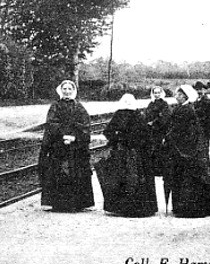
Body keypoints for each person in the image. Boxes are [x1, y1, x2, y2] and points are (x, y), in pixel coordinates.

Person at [96, 93, 158, 217]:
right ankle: (129, 207)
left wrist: (118, 137)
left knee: (129, 179)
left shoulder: (130, 115)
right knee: (130, 179)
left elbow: (144, 134)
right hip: (128, 152)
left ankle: (125, 207)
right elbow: (108, 131)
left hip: (128, 152)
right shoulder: (131, 115)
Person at [163, 84, 210, 218]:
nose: (176, 96)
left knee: (186, 180)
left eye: (178, 94)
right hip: (186, 149)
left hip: (186, 151)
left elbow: (179, 130)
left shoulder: (185, 110)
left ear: (184, 96)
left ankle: (188, 209)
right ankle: (188, 207)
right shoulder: (185, 108)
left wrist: (168, 138)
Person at [38, 80, 94, 212]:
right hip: (59, 145)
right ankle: (59, 203)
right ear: (60, 90)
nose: (67, 91)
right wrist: (63, 135)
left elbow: (85, 125)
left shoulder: (79, 107)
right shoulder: (55, 106)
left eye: (69, 89)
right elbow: (51, 124)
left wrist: (74, 137)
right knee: (59, 172)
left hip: (76, 147)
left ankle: (77, 203)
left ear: (73, 91)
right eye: (65, 89)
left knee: (76, 171)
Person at [144, 86, 172, 177]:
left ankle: (160, 170)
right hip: (151, 130)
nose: (157, 95)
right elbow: (147, 114)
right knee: (152, 149)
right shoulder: (151, 104)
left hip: (160, 130)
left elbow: (164, 117)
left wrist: (153, 122)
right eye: (155, 93)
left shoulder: (164, 104)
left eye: (158, 93)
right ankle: (153, 169)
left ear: (161, 93)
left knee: (160, 149)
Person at [193, 81, 210, 148]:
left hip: (206, 123)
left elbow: (209, 111)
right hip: (198, 124)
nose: (198, 91)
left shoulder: (206, 100)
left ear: (203, 90)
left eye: (200, 89)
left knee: (204, 144)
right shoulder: (195, 99)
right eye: (197, 89)